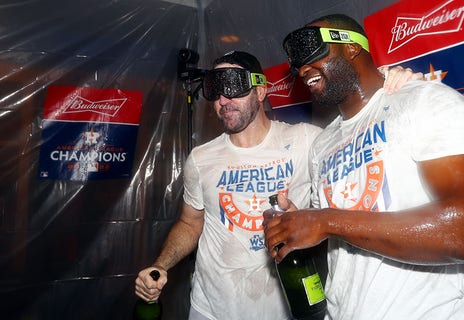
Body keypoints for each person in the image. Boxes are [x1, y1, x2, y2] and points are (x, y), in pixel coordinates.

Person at [134, 50, 424, 319]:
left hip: (283, 308)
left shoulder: (307, 141)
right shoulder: (200, 158)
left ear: (261, 90)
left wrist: (393, 85)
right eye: (214, 90)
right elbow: (189, 224)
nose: (223, 100)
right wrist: (161, 265)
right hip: (211, 309)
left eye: (234, 86)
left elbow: (360, 136)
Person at [263, 14, 464, 319]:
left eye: (311, 52)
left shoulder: (426, 102)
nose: (303, 69)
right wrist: (302, 226)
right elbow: (340, 242)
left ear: (352, 47)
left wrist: (326, 221)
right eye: (296, 64)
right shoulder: (323, 143)